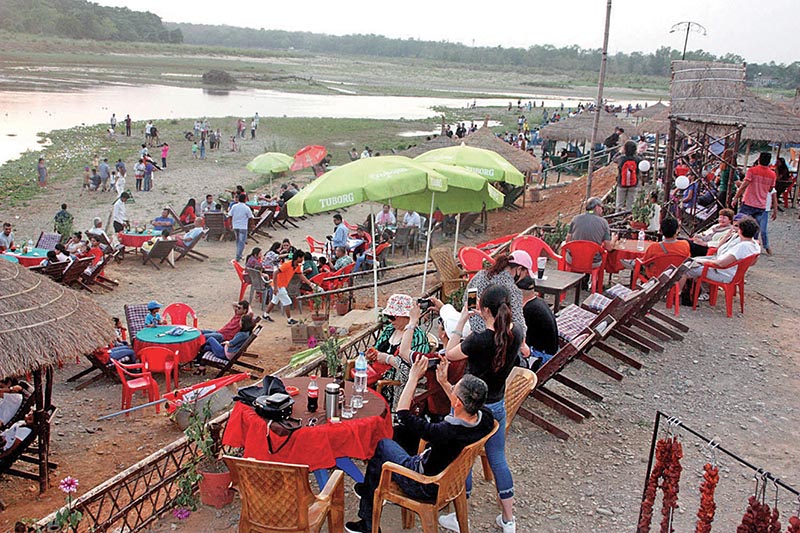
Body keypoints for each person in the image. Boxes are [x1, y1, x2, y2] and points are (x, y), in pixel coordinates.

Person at [344, 361, 493, 533]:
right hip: (447, 476)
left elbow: (402, 413)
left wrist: (413, 378)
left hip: (424, 484)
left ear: (458, 403)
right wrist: (444, 382)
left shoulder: (445, 432)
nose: (451, 389)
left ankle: (368, 522)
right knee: (400, 434)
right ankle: (372, 485)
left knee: (383, 445)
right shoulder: (485, 418)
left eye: (454, 388)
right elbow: (460, 404)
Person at [442, 284, 523, 533]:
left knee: (463, 457)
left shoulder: (479, 340)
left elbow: (449, 353)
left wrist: (462, 321)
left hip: (471, 408)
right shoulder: (516, 333)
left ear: (483, 308)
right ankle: (508, 520)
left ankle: (459, 516)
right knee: (498, 458)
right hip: (497, 404)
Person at [366, 295, 432, 408]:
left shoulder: (417, 336)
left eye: (393, 317)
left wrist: (387, 359)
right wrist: (372, 355)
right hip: (375, 375)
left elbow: (416, 368)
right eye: (388, 316)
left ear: (407, 316)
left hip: (393, 385)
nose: (390, 321)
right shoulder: (389, 329)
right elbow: (377, 349)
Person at [680, 216, 761, 300]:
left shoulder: (742, 247)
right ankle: (696, 289)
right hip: (731, 270)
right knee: (692, 261)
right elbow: (752, 263)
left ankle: (678, 293)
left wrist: (702, 261)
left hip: (723, 272)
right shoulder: (754, 244)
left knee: (685, 269)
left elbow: (721, 264)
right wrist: (727, 237)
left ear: (741, 230)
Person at [463, 251, 531, 346]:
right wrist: (523, 346)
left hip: (470, 329)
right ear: (519, 269)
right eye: (526, 273)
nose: (524, 278)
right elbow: (519, 323)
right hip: (496, 338)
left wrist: (475, 321)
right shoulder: (513, 290)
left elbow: (469, 304)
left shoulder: (480, 275)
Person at [262, 254, 315, 325]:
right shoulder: (287, 264)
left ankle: (265, 315)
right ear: (298, 258)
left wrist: (310, 284)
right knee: (287, 302)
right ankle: (289, 319)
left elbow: (301, 275)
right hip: (279, 285)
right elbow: (275, 273)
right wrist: (275, 287)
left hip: (280, 285)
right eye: (301, 258)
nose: (303, 259)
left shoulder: (297, 266)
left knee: (274, 301)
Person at [566, 196, 616, 266]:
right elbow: (608, 248)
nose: (602, 210)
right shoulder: (604, 222)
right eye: (602, 207)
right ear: (597, 207)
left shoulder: (575, 219)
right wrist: (614, 239)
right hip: (593, 261)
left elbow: (567, 241)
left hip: (573, 258)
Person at [733, 152, 776, 220]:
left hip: (749, 202)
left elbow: (744, 185)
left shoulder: (752, 170)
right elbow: (770, 189)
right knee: (755, 227)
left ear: (758, 160)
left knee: (742, 224)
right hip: (761, 204)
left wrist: (736, 197)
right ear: (769, 162)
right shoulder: (772, 174)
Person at [522, 294, 559, 370]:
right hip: (554, 350)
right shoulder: (540, 301)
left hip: (543, 355)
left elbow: (524, 338)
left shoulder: (528, 309)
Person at [615, 140, 640, 212]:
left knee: (619, 204)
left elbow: (613, 159)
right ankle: (628, 219)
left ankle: (618, 219)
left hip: (621, 184)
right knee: (631, 205)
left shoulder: (621, 159)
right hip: (633, 184)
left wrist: (620, 152)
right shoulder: (637, 159)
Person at [229, 194, 254, 262]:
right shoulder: (246, 208)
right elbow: (250, 217)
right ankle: (238, 256)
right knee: (242, 242)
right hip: (243, 227)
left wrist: (230, 224)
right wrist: (252, 225)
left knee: (238, 241)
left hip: (235, 226)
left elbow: (230, 216)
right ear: (245, 199)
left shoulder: (234, 206)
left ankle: (239, 255)